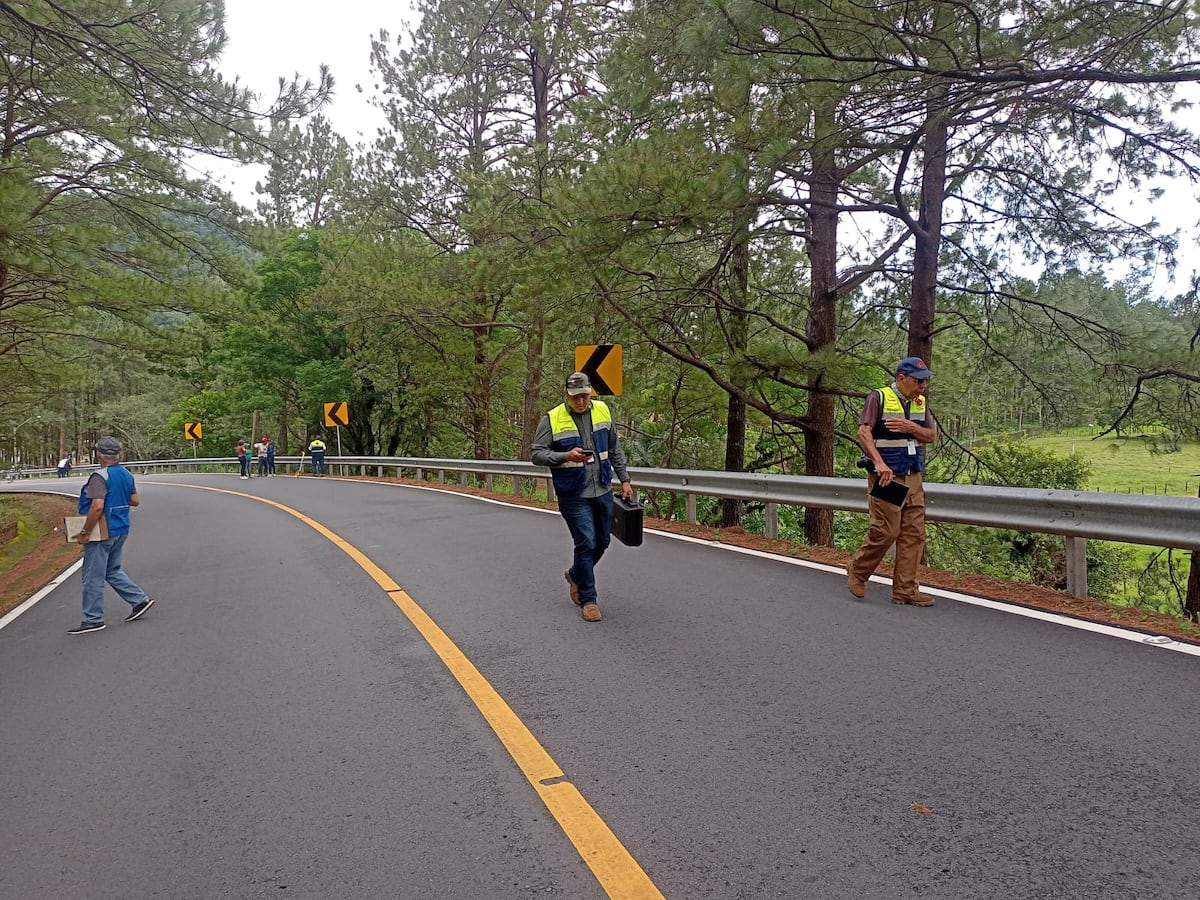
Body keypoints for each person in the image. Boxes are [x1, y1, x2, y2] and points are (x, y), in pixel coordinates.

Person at [531, 372, 634, 623]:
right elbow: (537, 454)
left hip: (602, 487)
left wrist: (626, 480)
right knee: (586, 542)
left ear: (591, 393)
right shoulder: (552, 419)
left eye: (585, 396)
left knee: (602, 541)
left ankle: (576, 574)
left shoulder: (602, 411)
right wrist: (565, 456)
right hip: (573, 492)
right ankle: (589, 600)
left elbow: (614, 449)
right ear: (566, 395)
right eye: (575, 397)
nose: (581, 401)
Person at [847, 357, 939, 607]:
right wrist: (878, 463)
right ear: (901, 378)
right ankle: (858, 570)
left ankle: (905, 590)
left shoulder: (920, 403)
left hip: (914, 476)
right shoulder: (878, 397)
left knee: (914, 534)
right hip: (888, 478)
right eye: (918, 381)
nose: (923, 386)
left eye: (925, 381)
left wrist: (911, 427)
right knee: (887, 530)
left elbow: (931, 435)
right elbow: (863, 432)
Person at [69, 436, 154, 634]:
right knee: (112, 569)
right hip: (121, 527)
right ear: (117, 454)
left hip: (102, 531)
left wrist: (84, 532)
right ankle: (139, 600)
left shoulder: (99, 477)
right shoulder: (125, 474)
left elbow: (97, 506)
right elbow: (135, 500)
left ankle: (93, 618)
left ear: (99, 454)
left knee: (92, 576)